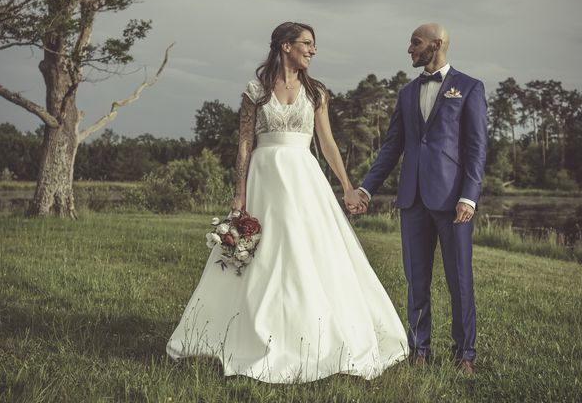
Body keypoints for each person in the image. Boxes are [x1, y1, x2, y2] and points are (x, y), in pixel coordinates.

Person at [166, 22, 407, 383]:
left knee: (308, 251)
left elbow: (326, 144)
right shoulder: (255, 91)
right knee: (264, 255)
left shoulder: (317, 92)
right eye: (306, 44)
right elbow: (245, 143)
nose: (312, 50)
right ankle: (245, 331)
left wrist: (346, 187)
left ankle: (314, 334)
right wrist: (239, 192)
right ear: (284, 46)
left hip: (304, 179)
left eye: (313, 45)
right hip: (265, 178)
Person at [346, 23, 487, 375]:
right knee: (416, 280)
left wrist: (469, 197)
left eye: (416, 42)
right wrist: (366, 188)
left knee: (460, 280)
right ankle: (419, 349)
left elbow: (476, 148)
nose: (409, 48)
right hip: (412, 200)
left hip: (454, 201)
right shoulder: (407, 93)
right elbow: (393, 146)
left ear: (436, 45)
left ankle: (464, 354)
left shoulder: (469, 88)